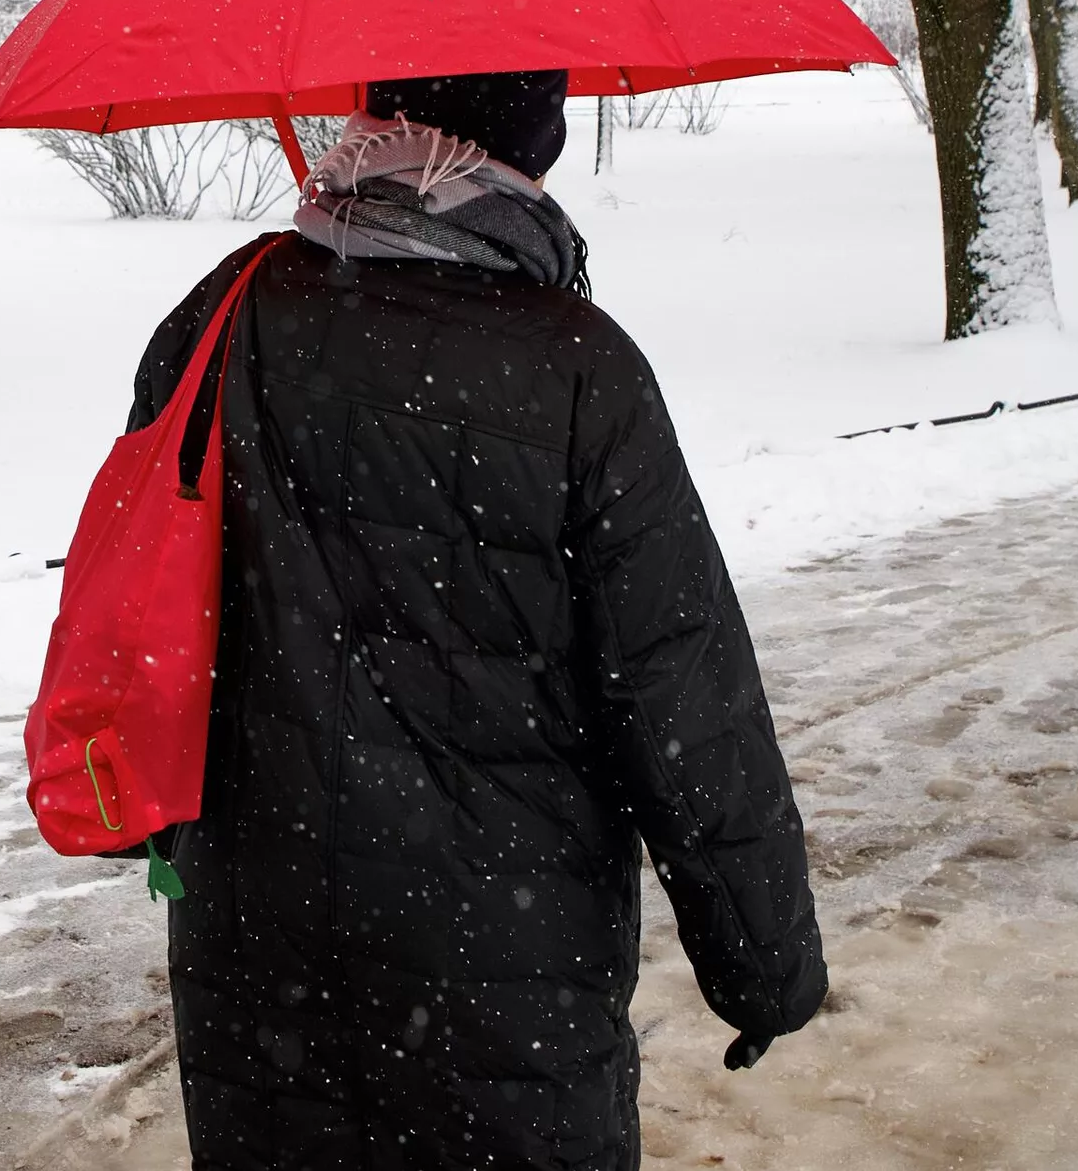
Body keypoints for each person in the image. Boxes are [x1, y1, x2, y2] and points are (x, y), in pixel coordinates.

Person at [122, 69, 825, 1171]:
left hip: (256, 927)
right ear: (526, 147)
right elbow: (683, 696)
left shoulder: (225, 310)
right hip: (504, 955)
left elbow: (146, 586)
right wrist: (763, 963)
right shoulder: (579, 366)